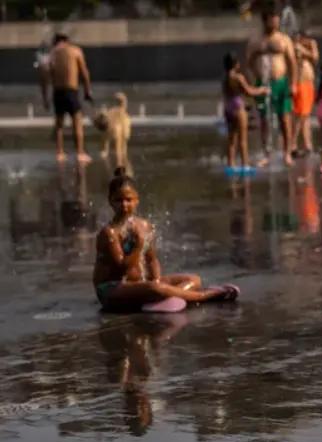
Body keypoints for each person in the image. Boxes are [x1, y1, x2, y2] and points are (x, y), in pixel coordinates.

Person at [93, 176, 240, 311]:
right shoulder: (109, 233)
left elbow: (151, 260)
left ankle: (163, 296)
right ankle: (208, 295)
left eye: (129, 200)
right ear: (110, 201)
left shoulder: (144, 226)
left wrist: (157, 280)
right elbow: (123, 269)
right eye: (119, 200)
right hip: (112, 289)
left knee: (193, 279)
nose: (124, 205)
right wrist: (138, 246)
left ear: (137, 200)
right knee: (155, 288)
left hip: (139, 284)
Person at [245, 7, 297, 166]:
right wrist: (253, 83)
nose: (276, 22)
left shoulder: (283, 39)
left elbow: (292, 63)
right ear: (265, 20)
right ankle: (267, 153)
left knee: (284, 119)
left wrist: (293, 84)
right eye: (272, 19)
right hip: (263, 83)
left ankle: (287, 153)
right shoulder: (256, 40)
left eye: (277, 19)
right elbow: (248, 63)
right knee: (264, 119)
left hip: (280, 82)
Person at [39, 33, 93, 163]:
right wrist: (87, 90)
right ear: (66, 40)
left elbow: (44, 77)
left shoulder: (51, 55)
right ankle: (80, 153)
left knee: (59, 124)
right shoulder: (75, 51)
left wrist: (45, 97)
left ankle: (60, 153)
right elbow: (84, 73)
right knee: (77, 122)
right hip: (71, 90)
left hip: (58, 92)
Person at [222, 52, 270, 170]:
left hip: (228, 108)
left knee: (231, 139)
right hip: (238, 108)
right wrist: (262, 90)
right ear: (236, 65)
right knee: (243, 139)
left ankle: (231, 165)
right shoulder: (238, 78)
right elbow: (249, 92)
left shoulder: (225, 79)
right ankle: (245, 165)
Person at [292, 29, 320, 156]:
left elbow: (315, 58)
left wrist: (304, 50)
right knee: (300, 114)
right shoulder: (292, 47)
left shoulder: (305, 47)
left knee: (306, 115)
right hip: (299, 82)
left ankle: (307, 145)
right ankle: (292, 144)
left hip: (308, 83)